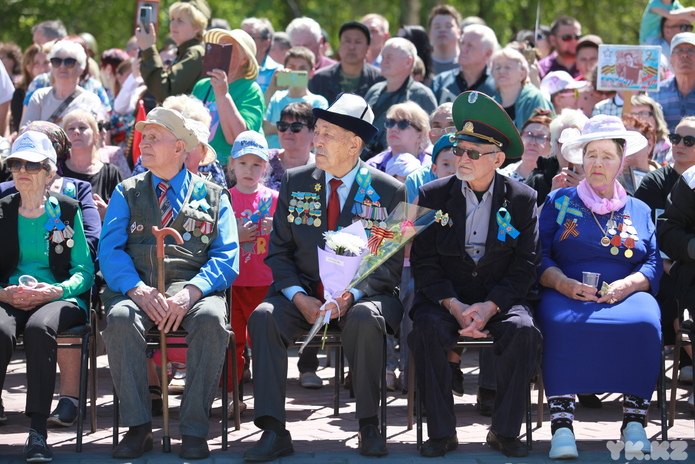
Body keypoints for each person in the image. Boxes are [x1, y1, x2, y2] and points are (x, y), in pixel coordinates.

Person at [243, 93, 406, 461]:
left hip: (363, 299)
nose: (316, 140)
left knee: (365, 318)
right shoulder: (297, 181)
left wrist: (350, 297)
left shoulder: (388, 190)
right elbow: (279, 252)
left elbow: (387, 266)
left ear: (354, 143)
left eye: (327, 134)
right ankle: (272, 430)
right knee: (264, 317)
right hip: (304, 295)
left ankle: (369, 425)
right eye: (317, 131)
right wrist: (299, 297)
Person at [408, 91, 542, 458]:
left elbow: (525, 265)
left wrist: (490, 307)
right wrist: (453, 305)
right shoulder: (431, 195)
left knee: (524, 331)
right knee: (426, 329)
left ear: (497, 159)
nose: (460, 158)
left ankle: (504, 431)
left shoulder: (522, 199)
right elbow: (423, 263)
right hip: (446, 297)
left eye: (472, 152)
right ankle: (440, 432)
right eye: (458, 149)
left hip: (499, 298)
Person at [99, 107, 239, 460]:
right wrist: (138, 290)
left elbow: (227, 257)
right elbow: (110, 251)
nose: (143, 143)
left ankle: (193, 429)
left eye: (153, 137)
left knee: (210, 320)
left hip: (194, 287)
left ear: (179, 147)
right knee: (119, 320)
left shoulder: (215, 195)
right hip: (137, 286)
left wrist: (190, 294)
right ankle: (138, 428)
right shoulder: (126, 191)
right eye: (142, 137)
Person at [538, 115, 661, 459]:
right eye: (592, 154)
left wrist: (628, 285)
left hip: (627, 291)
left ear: (621, 162)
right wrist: (562, 283)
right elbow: (538, 255)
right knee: (560, 322)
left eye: (608, 156)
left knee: (645, 322)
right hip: (566, 288)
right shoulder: (559, 201)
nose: (598, 163)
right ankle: (562, 424)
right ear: (580, 158)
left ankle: (634, 421)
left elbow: (652, 262)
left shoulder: (639, 208)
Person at [0, 131, 94, 462]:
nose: (22, 170)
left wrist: (58, 290)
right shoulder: (2, 210)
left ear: (50, 172)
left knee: (40, 329)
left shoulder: (67, 210)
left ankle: (38, 431)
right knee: (0, 328)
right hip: (9, 296)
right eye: (16, 163)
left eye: (32, 164)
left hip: (58, 298)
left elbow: (84, 269)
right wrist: (3, 293)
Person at [637, 116, 695, 382]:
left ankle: (688, 364)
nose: (679, 145)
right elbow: (647, 233)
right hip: (660, 265)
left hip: (687, 265)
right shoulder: (653, 183)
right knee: (675, 297)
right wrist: (669, 266)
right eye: (675, 138)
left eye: (689, 140)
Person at [227, 131, 278, 416]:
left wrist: (278, 229)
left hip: (265, 284)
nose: (249, 170)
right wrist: (235, 234)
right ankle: (232, 397)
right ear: (231, 164)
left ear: (266, 167)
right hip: (232, 285)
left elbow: (289, 240)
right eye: (243, 163)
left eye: (257, 164)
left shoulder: (275, 199)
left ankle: (266, 401)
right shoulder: (223, 199)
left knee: (262, 344)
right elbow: (212, 241)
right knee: (231, 343)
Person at [191, 28, 265, 168]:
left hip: (226, 169)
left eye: (227, 49)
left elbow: (238, 138)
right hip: (195, 165)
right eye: (218, 47)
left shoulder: (250, 90)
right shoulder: (202, 85)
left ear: (244, 59)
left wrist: (222, 95)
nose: (221, 53)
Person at [364, 38, 437, 158]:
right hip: (372, 163)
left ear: (408, 62)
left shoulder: (422, 95)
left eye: (389, 57)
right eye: (383, 57)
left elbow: (431, 137)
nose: (383, 62)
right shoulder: (374, 90)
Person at [136, 1, 208, 104]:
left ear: (196, 27)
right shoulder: (186, 52)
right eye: (172, 19)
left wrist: (149, 49)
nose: (173, 24)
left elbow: (166, 92)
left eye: (180, 21)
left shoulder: (194, 53)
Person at [20, 40, 104, 127]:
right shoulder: (39, 97)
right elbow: (25, 132)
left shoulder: (90, 100)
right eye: (56, 61)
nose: (62, 66)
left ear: (81, 68)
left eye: (69, 62)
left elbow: (92, 136)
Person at [61, 109, 123, 219]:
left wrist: (108, 213)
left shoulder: (111, 173)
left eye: (82, 127)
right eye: (71, 128)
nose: (76, 131)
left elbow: (123, 212)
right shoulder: (56, 171)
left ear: (96, 137)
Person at [264, 46, 328, 149]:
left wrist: (276, 129)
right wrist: (272, 88)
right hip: (273, 158)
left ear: (311, 72)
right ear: (284, 69)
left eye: (302, 69)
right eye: (292, 67)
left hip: (303, 161)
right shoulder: (275, 96)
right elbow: (260, 124)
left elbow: (317, 135)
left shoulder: (318, 102)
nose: (296, 72)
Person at [309, 21, 383, 105]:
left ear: (368, 48)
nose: (352, 47)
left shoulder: (379, 80)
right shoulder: (319, 79)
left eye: (358, 42)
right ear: (339, 46)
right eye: (347, 41)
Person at [526, 108, 588, 205]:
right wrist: (552, 198)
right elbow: (526, 219)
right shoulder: (538, 179)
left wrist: (587, 192)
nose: (569, 150)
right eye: (564, 143)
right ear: (555, 145)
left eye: (577, 144)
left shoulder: (599, 177)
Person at [429, 24, 498, 104]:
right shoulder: (440, 82)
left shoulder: (497, 86)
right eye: (462, 43)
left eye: (470, 46)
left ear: (487, 53)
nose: (463, 49)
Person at [491, 47, 553, 130]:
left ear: (523, 73)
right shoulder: (490, 103)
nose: (502, 71)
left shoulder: (534, 99)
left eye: (508, 67)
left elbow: (546, 133)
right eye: (498, 67)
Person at [366, 101, 432, 173]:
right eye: (390, 122)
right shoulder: (373, 167)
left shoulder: (433, 168)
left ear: (419, 135)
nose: (393, 129)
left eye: (403, 124)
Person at [265, 102, 316, 191]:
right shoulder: (263, 160)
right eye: (283, 126)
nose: (287, 131)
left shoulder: (322, 168)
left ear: (314, 133)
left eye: (296, 127)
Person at [656, 32, 695, 132]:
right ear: (671, 59)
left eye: (691, 50)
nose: (685, 55)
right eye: (679, 50)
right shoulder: (656, 93)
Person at [498, 113, 553, 182]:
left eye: (540, 137)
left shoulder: (556, 179)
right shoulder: (503, 177)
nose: (532, 142)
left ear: (552, 146)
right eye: (529, 135)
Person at [10, 44, 50, 134]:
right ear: (28, 67)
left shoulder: (61, 89)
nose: (43, 68)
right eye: (36, 64)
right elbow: (20, 126)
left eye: (46, 62)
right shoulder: (20, 93)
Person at [242, 17, 282, 95]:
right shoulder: (232, 71)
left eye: (251, 37)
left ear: (266, 44)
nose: (244, 41)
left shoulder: (279, 73)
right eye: (242, 37)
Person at [630, 94, 673, 165]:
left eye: (644, 113)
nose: (638, 118)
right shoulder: (623, 148)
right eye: (633, 114)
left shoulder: (670, 150)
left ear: (656, 117)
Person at [427, 5, 462, 76]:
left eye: (448, 26)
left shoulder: (468, 65)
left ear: (459, 33)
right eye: (437, 27)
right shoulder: (423, 66)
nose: (442, 30)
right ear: (430, 34)